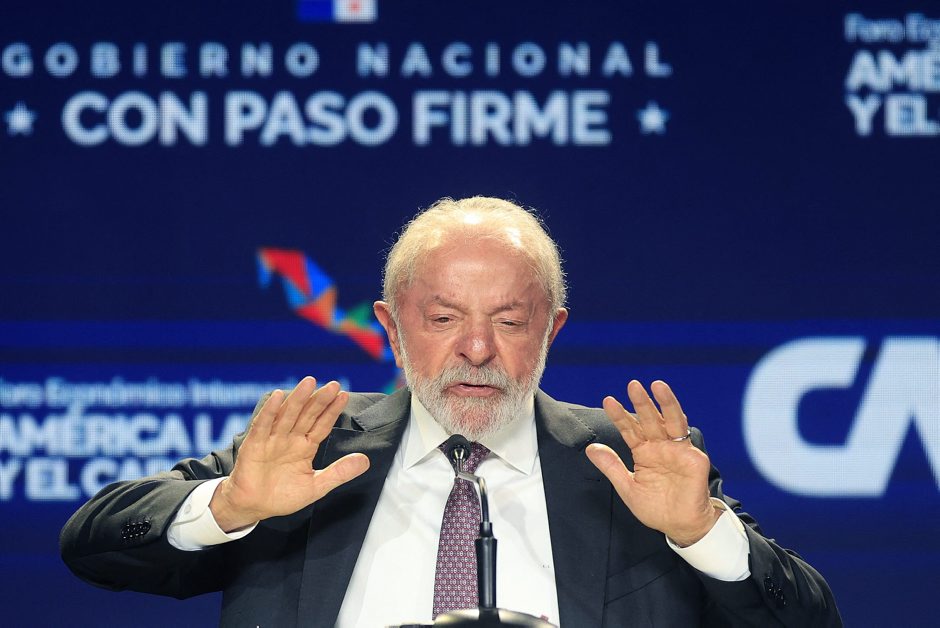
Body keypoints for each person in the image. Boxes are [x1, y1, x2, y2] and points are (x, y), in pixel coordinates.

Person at [61, 196, 842, 627]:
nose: (476, 348)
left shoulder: (631, 467)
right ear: (391, 328)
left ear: (551, 330)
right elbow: (92, 546)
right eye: (442, 319)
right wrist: (231, 507)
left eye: (509, 321)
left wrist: (702, 533)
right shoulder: (312, 451)